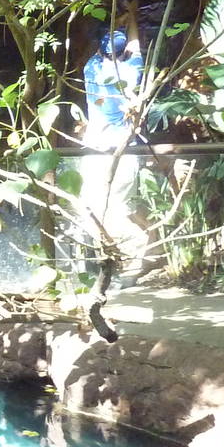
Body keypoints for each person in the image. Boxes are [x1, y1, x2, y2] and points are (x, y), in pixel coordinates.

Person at [75, 15, 149, 277]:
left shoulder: (91, 70)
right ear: (124, 53)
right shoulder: (132, 71)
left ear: (100, 51)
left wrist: (122, 16)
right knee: (113, 207)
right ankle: (115, 261)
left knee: (95, 209)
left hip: (96, 151)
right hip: (124, 151)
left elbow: (116, 47)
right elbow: (136, 45)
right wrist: (133, 17)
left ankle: (136, 250)